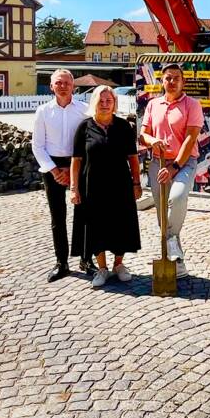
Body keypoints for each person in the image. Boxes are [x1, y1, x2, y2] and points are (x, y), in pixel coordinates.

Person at [69, 85, 143, 288]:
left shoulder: (123, 127)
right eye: (101, 101)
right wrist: (74, 188)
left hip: (120, 184)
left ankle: (119, 264)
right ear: (94, 102)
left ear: (114, 103)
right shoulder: (84, 127)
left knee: (122, 224)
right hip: (92, 186)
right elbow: (76, 160)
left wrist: (136, 183)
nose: (104, 104)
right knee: (96, 226)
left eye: (108, 101)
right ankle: (102, 268)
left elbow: (133, 159)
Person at [139, 63, 203, 279]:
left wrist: (174, 167)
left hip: (183, 162)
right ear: (162, 81)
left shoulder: (192, 105)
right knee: (162, 217)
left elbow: (191, 137)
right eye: (168, 78)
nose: (172, 82)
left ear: (183, 81)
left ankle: (172, 242)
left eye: (176, 78)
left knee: (176, 199)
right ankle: (178, 262)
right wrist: (152, 140)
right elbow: (143, 135)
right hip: (157, 162)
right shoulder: (152, 104)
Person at [31, 68, 89, 282]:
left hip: (79, 164)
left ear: (73, 86)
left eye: (66, 82)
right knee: (58, 217)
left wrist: (72, 169)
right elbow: (37, 145)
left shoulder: (85, 110)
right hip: (52, 166)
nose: (63, 86)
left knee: (83, 214)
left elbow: (88, 142)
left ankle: (86, 258)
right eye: (59, 82)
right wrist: (56, 171)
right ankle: (61, 262)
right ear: (51, 86)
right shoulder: (43, 112)